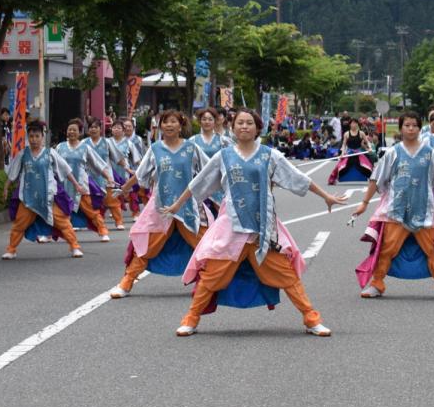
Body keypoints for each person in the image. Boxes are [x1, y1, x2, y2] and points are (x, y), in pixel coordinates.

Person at [159, 108, 347, 337]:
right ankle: (191, 318)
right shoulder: (224, 156)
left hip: (263, 230)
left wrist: (326, 196)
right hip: (230, 228)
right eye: (240, 122)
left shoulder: (270, 155)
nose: (244, 126)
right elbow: (198, 183)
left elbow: (297, 178)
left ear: (258, 128)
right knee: (211, 276)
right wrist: (178, 205)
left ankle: (311, 318)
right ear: (233, 127)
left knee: (287, 276)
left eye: (249, 123)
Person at [352, 111, 434, 300]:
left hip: (424, 211)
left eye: (414, 125)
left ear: (420, 128)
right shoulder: (393, 153)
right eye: (407, 125)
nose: (411, 128)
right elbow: (376, 178)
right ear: (401, 128)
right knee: (386, 249)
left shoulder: (429, 153)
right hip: (396, 211)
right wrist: (364, 203)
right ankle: (377, 283)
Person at [111, 110, 210, 298]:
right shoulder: (155, 148)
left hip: (188, 206)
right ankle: (127, 282)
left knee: (204, 245)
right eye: (165, 122)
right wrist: (123, 189)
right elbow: (140, 174)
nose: (169, 125)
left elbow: (209, 171)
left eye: (173, 122)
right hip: (161, 207)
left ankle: (210, 284)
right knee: (148, 245)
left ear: (181, 126)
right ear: (160, 126)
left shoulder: (191, 148)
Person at [2, 119, 87, 260]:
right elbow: (13, 174)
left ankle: (75, 247)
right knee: (19, 224)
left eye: (37, 136)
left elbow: (65, 170)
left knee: (63, 223)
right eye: (31, 136)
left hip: (49, 197)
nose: (34, 139)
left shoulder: (50, 153)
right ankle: (11, 250)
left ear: (42, 137)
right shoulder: (23, 154)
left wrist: (77, 185)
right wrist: (6, 188)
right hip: (28, 198)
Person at [55, 119, 116, 242]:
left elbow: (97, 164)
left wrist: (108, 176)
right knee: (59, 212)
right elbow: (53, 165)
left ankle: (103, 230)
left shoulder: (85, 148)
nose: (71, 132)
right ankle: (50, 234)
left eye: (74, 130)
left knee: (91, 210)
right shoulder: (60, 147)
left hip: (81, 185)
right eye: (70, 129)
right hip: (64, 185)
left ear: (80, 132)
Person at [83, 118, 126, 230]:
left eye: (96, 127)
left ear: (100, 129)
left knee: (111, 200)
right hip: (90, 176)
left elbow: (117, 157)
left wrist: (127, 169)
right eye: (91, 127)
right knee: (91, 201)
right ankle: (96, 223)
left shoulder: (107, 143)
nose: (93, 129)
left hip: (106, 176)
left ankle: (119, 221)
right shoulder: (84, 143)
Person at [328, 118, 375, 183]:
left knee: (369, 164)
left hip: (359, 153)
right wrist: (342, 153)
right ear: (350, 124)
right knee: (339, 166)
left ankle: (373, 180)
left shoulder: (361, 133)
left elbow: (367, 142)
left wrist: (369, 148)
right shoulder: (346, 134)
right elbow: (344, 145)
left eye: (355, 123)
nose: (354, 125)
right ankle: (332, 179)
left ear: (357, 124)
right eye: (352, 123)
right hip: (349, 153)